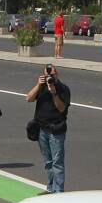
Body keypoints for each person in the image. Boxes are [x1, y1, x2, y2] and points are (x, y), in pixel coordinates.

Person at [25, 64, 70, 194]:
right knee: (48, 161)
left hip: (56, 129)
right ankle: (51, 187)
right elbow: (29, 98)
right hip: (41, 129)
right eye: (47, 75)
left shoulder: (63, 89)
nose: (50, 77)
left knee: (57, 161)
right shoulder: (41, 87)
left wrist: (54, 93)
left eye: (53, 74)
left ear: (57, 74)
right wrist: (39, 85)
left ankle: (58, 190)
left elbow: (62, 108)